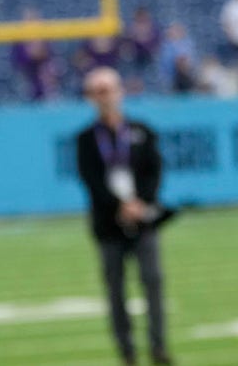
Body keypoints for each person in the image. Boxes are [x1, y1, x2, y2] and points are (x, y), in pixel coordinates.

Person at [75, 67, 174, 366]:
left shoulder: (143, 131)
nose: (105, 96)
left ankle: (158, 348)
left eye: (109, 89)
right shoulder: (86, 139)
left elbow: (154, 172)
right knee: (116, 291)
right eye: (99, 91)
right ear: (91, 97)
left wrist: (140, 203)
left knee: (153, 283)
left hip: (143, 222)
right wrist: (120, 206)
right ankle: (127, 352)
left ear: (120, 91)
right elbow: (91, 180)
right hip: (108, 224)